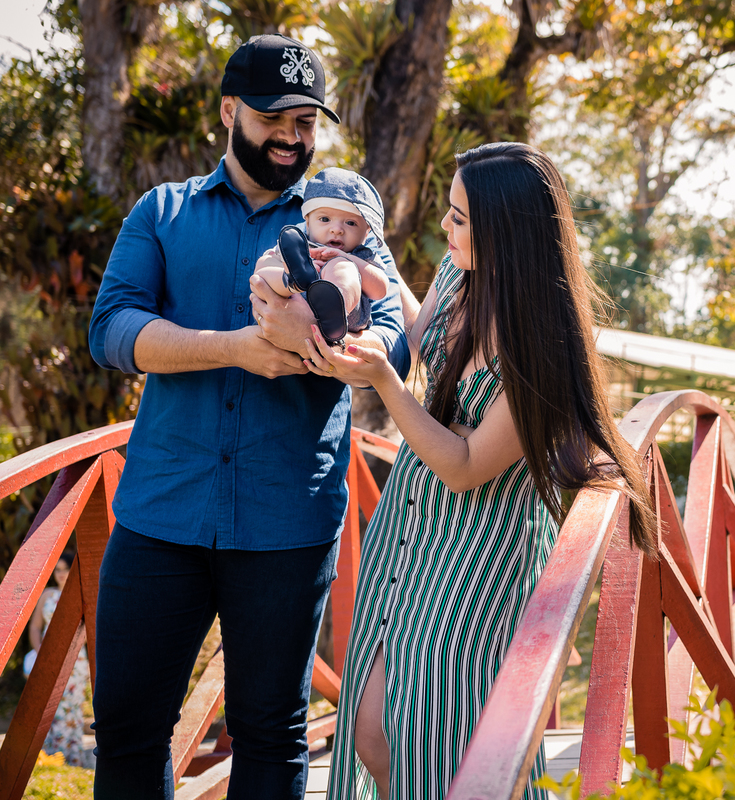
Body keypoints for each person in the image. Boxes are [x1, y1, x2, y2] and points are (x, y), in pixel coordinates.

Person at [87, 33, 412, 800]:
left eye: (307, 123)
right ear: (229, 111)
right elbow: (111, 330)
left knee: (271, 734)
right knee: (130, 732)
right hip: (159, 514)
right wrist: (235, 347)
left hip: (286, 526)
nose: (293, 138)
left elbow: (393, 326)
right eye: (275, 119)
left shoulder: (344, 221)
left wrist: (351, 345)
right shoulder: (162, 212)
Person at [310, 142, 658, 799]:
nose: (446, 229)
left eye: (460, 219)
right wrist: (354, 265)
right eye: (448, 213)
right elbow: (426, 339)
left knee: (441, 734)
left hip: (479, 547)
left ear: (506, 231)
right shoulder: (457, 274)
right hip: (410, 527)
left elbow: (467, 465)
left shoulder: (540, 344)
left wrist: (383, 381)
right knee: (371, 729)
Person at [255, 167, 391, 344]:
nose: (336, 229)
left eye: (350, 223)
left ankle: (335, 306)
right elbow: (258, 276)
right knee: (266, 262)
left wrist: (346, 258)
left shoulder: (360, 254)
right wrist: (279, 264)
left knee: (342, 267)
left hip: (342, 319)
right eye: (325, 219)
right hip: (290, 301)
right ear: (308, 223)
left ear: (367, 233)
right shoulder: (299, 245)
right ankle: (292, 279)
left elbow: (380, 289)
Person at [26, 554, 91, 767]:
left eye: (66, 569)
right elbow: (35, 627)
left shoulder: (80, 594)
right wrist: (40, 652)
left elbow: (90, 629)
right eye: (58, 569)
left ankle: (71, 761)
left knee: (70, 711)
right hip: (47, 660)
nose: (61, 573)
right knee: (46, 710)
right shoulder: (47, 595)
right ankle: (48, 760)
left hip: (75, 662)